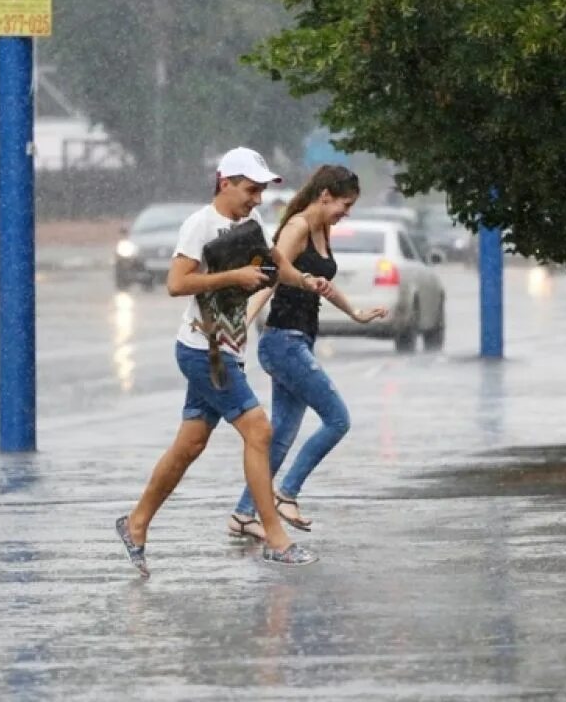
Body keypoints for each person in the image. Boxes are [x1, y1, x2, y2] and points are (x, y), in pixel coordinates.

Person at [115, 146, 324, 576]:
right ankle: (274, 539)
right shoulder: (199, 225)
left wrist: (303, 279)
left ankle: (135, 523)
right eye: (250, 190)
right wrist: (234, 277)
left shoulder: (250, 222)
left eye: (261, 191)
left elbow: (273, 261)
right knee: (259, 430)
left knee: (189, 445)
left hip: (227, 348)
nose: (256, 199)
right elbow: (176, 283)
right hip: (199, 350)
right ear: (224, 182)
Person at [229, 165, 387, 539]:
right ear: (325, 195)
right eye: (343, 205)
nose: (345, 213)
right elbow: (269, 276)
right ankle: (287, 493)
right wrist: (240, 328)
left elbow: (321, 285)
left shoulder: (321, 228)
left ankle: (243, 514)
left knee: (281, 435)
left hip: (299, 340)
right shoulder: (298, 228)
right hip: (282, 342)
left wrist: (356, 314)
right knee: (337, 419)